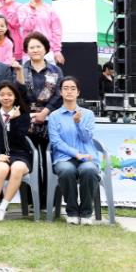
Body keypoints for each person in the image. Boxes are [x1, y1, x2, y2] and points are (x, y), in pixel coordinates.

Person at [48, 77, 100, 225]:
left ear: (78, 92)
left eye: (73, 88)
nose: (69, 91)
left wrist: (78, 123)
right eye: (65, 88)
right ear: (60, 92)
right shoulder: (54, 116)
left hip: (87, 156)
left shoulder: (88, 114)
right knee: (66, 171)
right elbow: (55, 141)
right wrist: (75, 154)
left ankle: (86, 213)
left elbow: (87, 138)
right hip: (64, 157)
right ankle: (71, 211)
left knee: (89, 170)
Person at [22, 31, 64, 209]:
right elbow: (18, 94)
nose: (35, 50)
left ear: (45, 48)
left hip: (51, 120)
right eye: (31, 47)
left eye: (38, 46)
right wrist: (31, 114)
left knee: (48, 161)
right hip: (27, 121)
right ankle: (32, 201)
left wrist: (45, 112)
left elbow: (59, 95)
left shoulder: (55, 70)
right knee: (30, 160)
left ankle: (50, 201)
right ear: (26, 50)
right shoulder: (21, 70)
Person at [0, 81, 31, 222]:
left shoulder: (23, 115)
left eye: (9, 94)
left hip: (20, 154)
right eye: (2, 94)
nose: (6, 97)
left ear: (15, 97)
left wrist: (14, 120)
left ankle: (2, 208)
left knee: (17, 168)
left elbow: (20, 139)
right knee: (2, 168)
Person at [18, 0, 64, 65]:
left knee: (50, 73)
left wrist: (57, 50)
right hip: (30, 50)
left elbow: (56, 31)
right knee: (29, 73)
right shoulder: (23, 9)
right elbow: (27, 26)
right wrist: (33, 10)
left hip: (47, 50)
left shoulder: (50, 9)